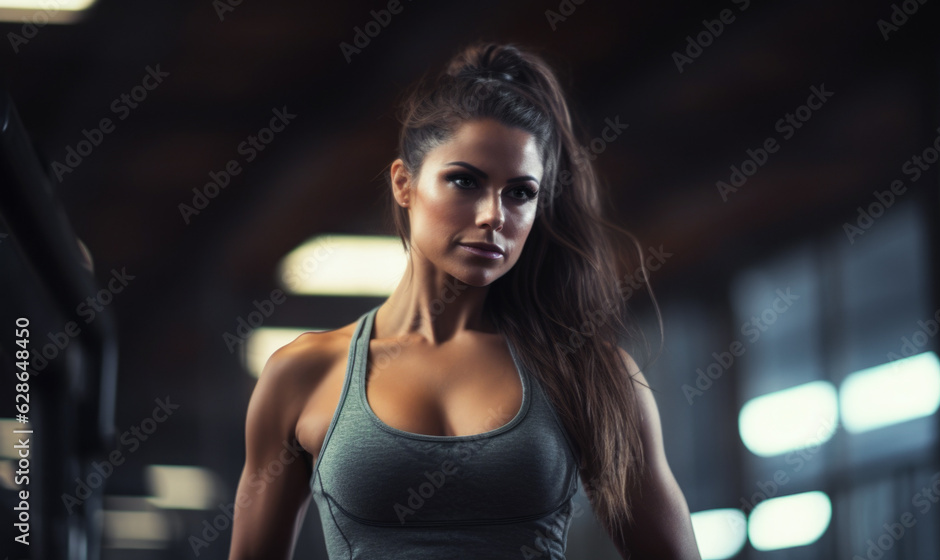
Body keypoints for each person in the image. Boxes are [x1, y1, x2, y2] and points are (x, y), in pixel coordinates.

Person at [228, 42, 702, 560]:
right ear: (403, 184)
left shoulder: (591, 373)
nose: (494, 215)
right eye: (464, 181)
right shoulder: (303, 373)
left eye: (520, 192)